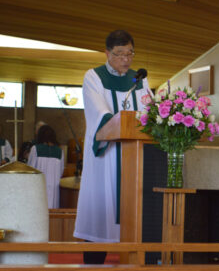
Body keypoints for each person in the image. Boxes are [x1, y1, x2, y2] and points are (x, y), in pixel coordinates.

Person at [73, 30, 149, 264]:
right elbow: (99, 112)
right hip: (106, 158)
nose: (126, 59)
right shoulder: (93, 76)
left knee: (139, 218)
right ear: (107, 53)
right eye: (119, 54)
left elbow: (150, 110)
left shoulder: (140, 79)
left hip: (135, 158)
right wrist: (117, 123)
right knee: (100, 218)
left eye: (130, 53)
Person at [27, 125, 64, 209]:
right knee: (52, 208)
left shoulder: (35, 149)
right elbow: (61, 171)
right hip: (54, 186)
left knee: (39, 209)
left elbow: (31, 169)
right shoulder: (60, 151)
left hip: (39, 185)